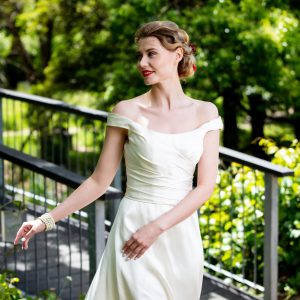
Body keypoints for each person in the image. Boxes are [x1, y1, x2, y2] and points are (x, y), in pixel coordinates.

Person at [14, 20, 223, 299]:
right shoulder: (127, 111)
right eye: (139, 55)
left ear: (178, 55)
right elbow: (99, 181)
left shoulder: (205, 113)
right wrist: (45, 220)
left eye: (151, 53)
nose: (142, 62)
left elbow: (205, 187)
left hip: (180, 234)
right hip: (133, 231)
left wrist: (156, 228)